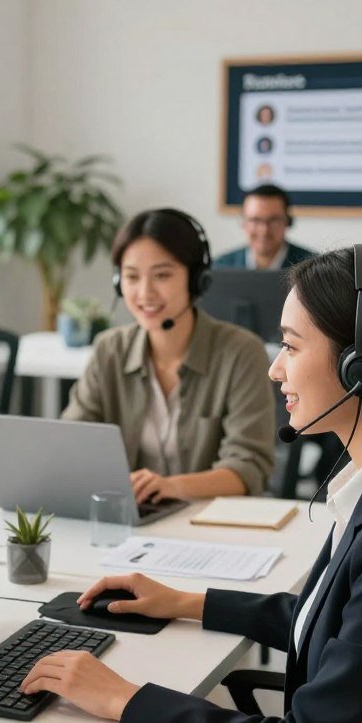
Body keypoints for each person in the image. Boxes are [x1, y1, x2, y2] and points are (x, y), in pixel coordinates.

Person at [21, 244, 362, 723]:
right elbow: (333, 620)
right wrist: (186, 602)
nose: (275, 370)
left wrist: (123, 697)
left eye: (291, 346)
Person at [63, 208, 276, 503]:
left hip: (209, 524)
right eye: (132, 277)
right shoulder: (109, 349)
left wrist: (171, 487)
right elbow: (73, 441)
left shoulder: (240, 352)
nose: (145, 293)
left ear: (196, 280)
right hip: (130, 521)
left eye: (162, 275)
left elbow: (249, 467)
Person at [215, 184, 314, 271]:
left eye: (273, 220)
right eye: (255, 220)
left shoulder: (312, 268)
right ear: (242, 223)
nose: (264, 231)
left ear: (288, 221)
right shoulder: (219, 268)